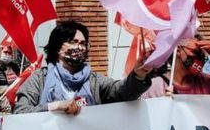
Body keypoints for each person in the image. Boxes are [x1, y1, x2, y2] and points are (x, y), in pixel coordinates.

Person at [15, 21, 152, 114]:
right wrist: (55, 107)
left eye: (83, 43)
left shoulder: (94, 80)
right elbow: (20, 111)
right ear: (57, 47)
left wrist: (138, 74)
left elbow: (121, 92)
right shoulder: (39, 79)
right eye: (73, 42)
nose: (79, 47)